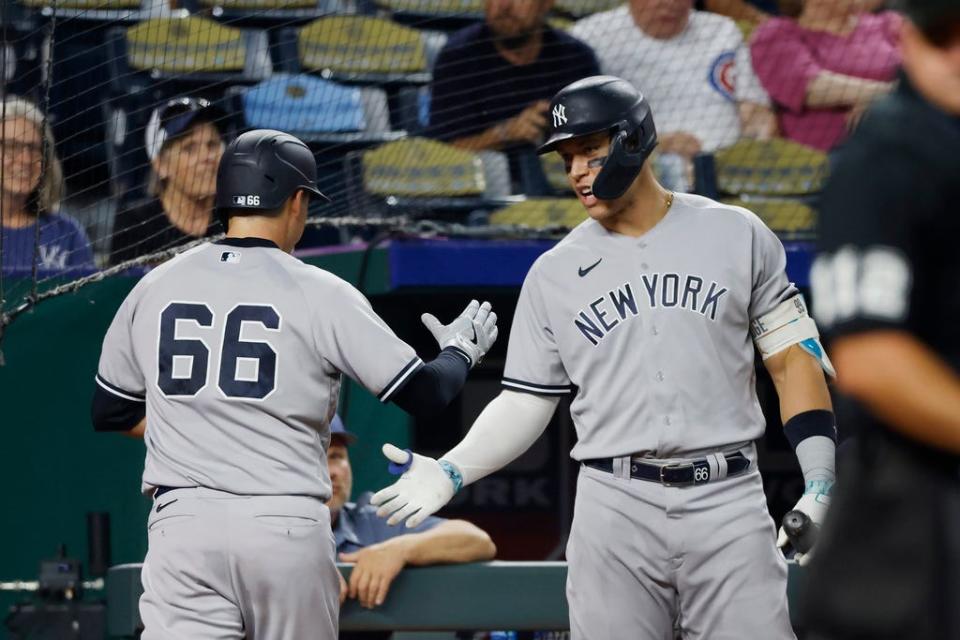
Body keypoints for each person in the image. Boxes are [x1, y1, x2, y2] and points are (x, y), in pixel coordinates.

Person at [370, 76, 837, 639]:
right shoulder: (553, 272)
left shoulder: (738, 233)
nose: (575, 173)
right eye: (567, 158)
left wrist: (820, 483)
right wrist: (453, 468)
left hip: (728, 498)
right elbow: (525, 401)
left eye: (590, 153)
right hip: (615, 505)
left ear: (634, 141)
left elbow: (794, 360)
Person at [90, 128, 499, 639]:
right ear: (297, 200)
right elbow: (426, 393)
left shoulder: (154, 283)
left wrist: (203, 433)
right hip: (280, 521)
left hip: (183, 524)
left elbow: (111, 411)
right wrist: (460, 350)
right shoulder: (321, 290)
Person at [802, 1, 960, 637]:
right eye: (942, 34)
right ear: (903, 35)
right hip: (915, 512)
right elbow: (871, 361)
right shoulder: (891, 152)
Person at [570, 0, 776, 191]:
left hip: (730, 171)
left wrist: (752, 146)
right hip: (640, 173)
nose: (669, 3)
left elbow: (755, 109)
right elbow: (579, 127)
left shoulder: (722, 30)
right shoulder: (591, 36)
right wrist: (654, 142)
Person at [326, 415, 495, 613]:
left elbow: (477, 541)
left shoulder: (367, 519)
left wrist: (399, 549)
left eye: (336, 456)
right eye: (317, 459)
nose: (331, 472)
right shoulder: (280, 535)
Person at [427, 0, 599, 153]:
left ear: (547, 3)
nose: (504, 6)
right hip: (492, 181)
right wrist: (504, 134)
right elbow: (443, 151)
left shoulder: (576, 56)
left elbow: (600, 139)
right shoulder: (458, 56)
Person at [750, 0, 901, 151]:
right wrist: (885, 98)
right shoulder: (775, 33)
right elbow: (809, 86)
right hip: (825, 160)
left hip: (901, 144)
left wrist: (876, 105)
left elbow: (918, 74)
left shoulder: (887, 24)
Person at [109, 96, 226, 265]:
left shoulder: (235, 220)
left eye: (213, 145)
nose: (206, 157)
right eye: (190, 148)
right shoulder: (136, 225)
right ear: (161, 165)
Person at [0, 96, 94, 275]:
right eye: (12, 146)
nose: (26, 159)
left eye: (34, 149)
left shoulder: (67, 233)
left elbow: (88, 300)